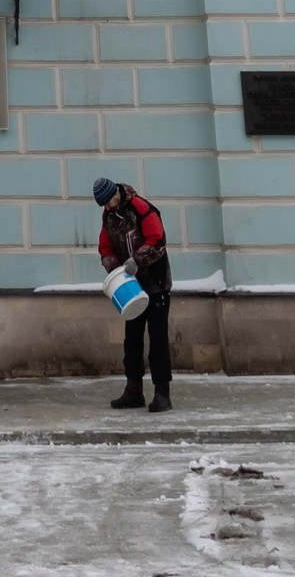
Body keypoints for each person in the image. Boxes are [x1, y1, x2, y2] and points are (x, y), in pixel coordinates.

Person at [94, 172, 171, 411]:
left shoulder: (140, 207)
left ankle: (162, 393)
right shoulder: (109, 216)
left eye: (109, 201)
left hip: (156, 282)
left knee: (158, 340)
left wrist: (136, 261)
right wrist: (112, 265)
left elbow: (157, 239)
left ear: (117, 193)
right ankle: (133, 390)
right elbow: (105, 246)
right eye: (104, 204)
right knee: (133, 341)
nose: (107, 206)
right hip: (131, 287)